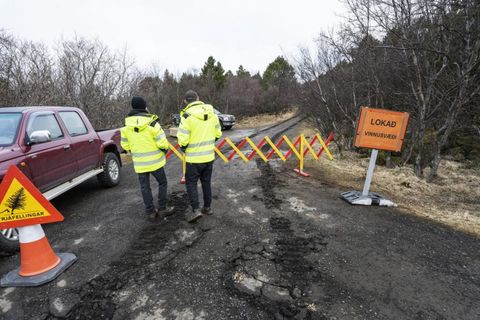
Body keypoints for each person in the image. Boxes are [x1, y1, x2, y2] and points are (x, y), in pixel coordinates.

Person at [121, 96, 174, 221]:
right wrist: (164, 150)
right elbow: (162, 143)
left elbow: (125, 145)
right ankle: (162, 208)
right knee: (162, 183)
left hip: (140, 164)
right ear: (145, 107)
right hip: (156, 162)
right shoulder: (153, 124)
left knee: (145, 187)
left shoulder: (125, 126)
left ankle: (150, 211)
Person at [177, 90, 222, 223]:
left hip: (193, 159)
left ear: (185, 101)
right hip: (208, 157)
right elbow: (218, 133)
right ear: (198, 98)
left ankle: (196, 210)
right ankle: (207, 208)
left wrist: (185, 149)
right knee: (206, 182)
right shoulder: (212, 113)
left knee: (191, 184)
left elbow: (183, 140)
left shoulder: (186, 117)